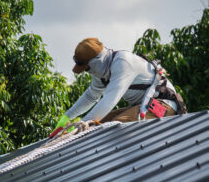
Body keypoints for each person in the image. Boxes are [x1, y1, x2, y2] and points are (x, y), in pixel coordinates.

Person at [55, 37, 187, 130]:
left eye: (87, 68)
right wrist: (67, 117)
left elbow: (109, 101)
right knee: (97, 125)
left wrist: (80, 124)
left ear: (98, 60)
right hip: (143, 106)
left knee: (114, 127)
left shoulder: (123, 63)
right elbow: (90, 97)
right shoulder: (102, 73)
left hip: (163, 106)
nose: (88, 73)